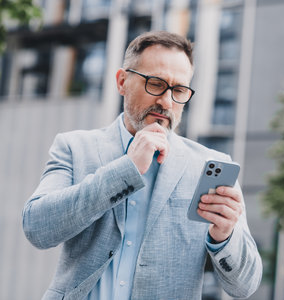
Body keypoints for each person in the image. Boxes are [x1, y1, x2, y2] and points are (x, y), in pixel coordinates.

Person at [22, 30, 262, 300]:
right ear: (122, 81)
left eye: (179, 90)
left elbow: (245, 286)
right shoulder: (74, 147)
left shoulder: (211, 167)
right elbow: (37, 229)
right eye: (156, 84)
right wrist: (125, 170)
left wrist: (225, 237)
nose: (166, 101)